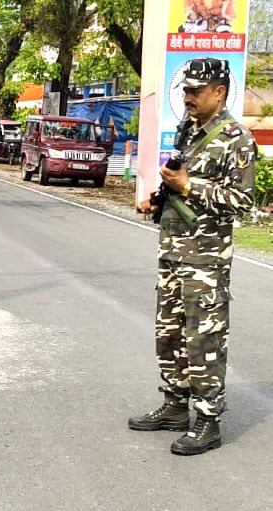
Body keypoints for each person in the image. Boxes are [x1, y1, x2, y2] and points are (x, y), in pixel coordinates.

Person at [131, 58, 257, 455]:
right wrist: (159, 199)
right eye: (185, 90)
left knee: (204, 339)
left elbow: (243, 202)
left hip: (206, 260)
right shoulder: (188, 129)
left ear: (219, 92)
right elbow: (179, 182)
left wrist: (189, 186)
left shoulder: (236, 139)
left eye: (196, 91)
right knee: (169, 333)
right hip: (173, 250)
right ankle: (174, 406)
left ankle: (208, 421)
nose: (188, 97)